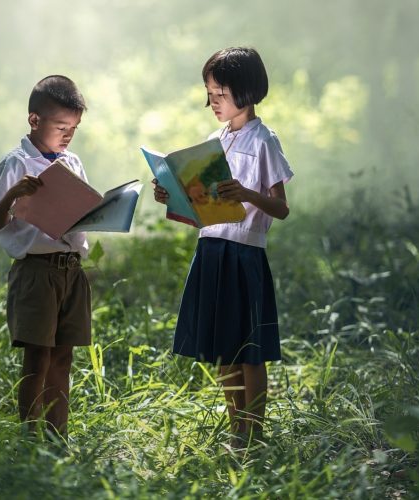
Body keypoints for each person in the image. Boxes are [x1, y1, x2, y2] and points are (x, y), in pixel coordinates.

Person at [153, 47, 293, 447]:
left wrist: (247, 192)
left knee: (251, 348)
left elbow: (281, 208)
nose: (210, 102)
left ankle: (257, 434)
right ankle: (237, 431)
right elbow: (199, 205)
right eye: (208, 94)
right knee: (224, 349)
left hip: (245, 252)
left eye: (218, 94)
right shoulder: (215, 141)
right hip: (211, 248)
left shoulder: (265, 139)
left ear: (245, 91)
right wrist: (173, 194)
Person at [0, 75, 91, 439]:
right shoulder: (16, 163)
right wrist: (14, 193)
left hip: (71, 270)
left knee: (63, 357)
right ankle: (31, 436)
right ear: (34, 120)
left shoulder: (72, 162)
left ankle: (56, 434)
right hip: (36, 272)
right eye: (61, 126)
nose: (67, 135)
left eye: (74, 128)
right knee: (37, 359)